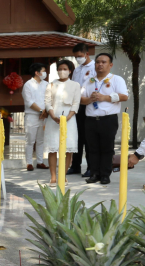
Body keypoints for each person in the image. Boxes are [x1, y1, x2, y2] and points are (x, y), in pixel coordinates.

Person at [81, 53, 128, 185]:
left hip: (108, 119)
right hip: (90, 119)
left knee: (107, 148)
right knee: (92, 148)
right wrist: (90, 99)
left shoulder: (116, 79)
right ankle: (94, 173)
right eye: (97, 62)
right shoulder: (89, 81)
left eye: (103, 62)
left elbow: (124, 96)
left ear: (110, 65)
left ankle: (105, 175)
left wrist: (105, 98)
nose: (100, 64)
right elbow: (81, 99)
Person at [44, 60, 81, 186]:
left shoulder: (75, 85)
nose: (62, 71)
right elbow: (47, 102)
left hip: (69, 119)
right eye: (60, 69)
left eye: (65, 69)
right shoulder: (51, 84)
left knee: (67, 149)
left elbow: (76, 103)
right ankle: (53, 176)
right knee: (53, 148)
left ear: (70, 71)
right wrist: (53, 115)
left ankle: (63, 176)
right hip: (53, 118)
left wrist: (68, 117)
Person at [68, 43, 96, 176]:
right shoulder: (77, 70)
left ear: (86, 54)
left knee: (89, 138)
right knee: (76, 137)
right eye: (76, 57)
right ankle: (75, 166)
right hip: (77, 106)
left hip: (90, 106)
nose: (78, 59)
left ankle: (91, 167)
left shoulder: (95, 67)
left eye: (79, 56)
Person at [22, 62, 49, 171]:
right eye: (43, 71)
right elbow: (29, 101)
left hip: (44, 116)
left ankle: (40, 161)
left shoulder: (46, 84)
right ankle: (29, 163)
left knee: (41, 140)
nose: (45, 73)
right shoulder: (28, 84)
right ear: (36, 72)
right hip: (32, 115)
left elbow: (49, 98)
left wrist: (46, 111)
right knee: (30, 140)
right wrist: (41, 110)